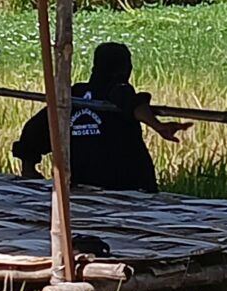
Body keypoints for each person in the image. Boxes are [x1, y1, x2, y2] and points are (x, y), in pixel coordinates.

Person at [13, 41, 191, 192]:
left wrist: (28, 167)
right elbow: (132, 103)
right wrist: (157, 125)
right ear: (125, 70)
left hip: (83, 189)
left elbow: (35, 131)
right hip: (127, 188)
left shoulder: (73, 98)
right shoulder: (115, 91)